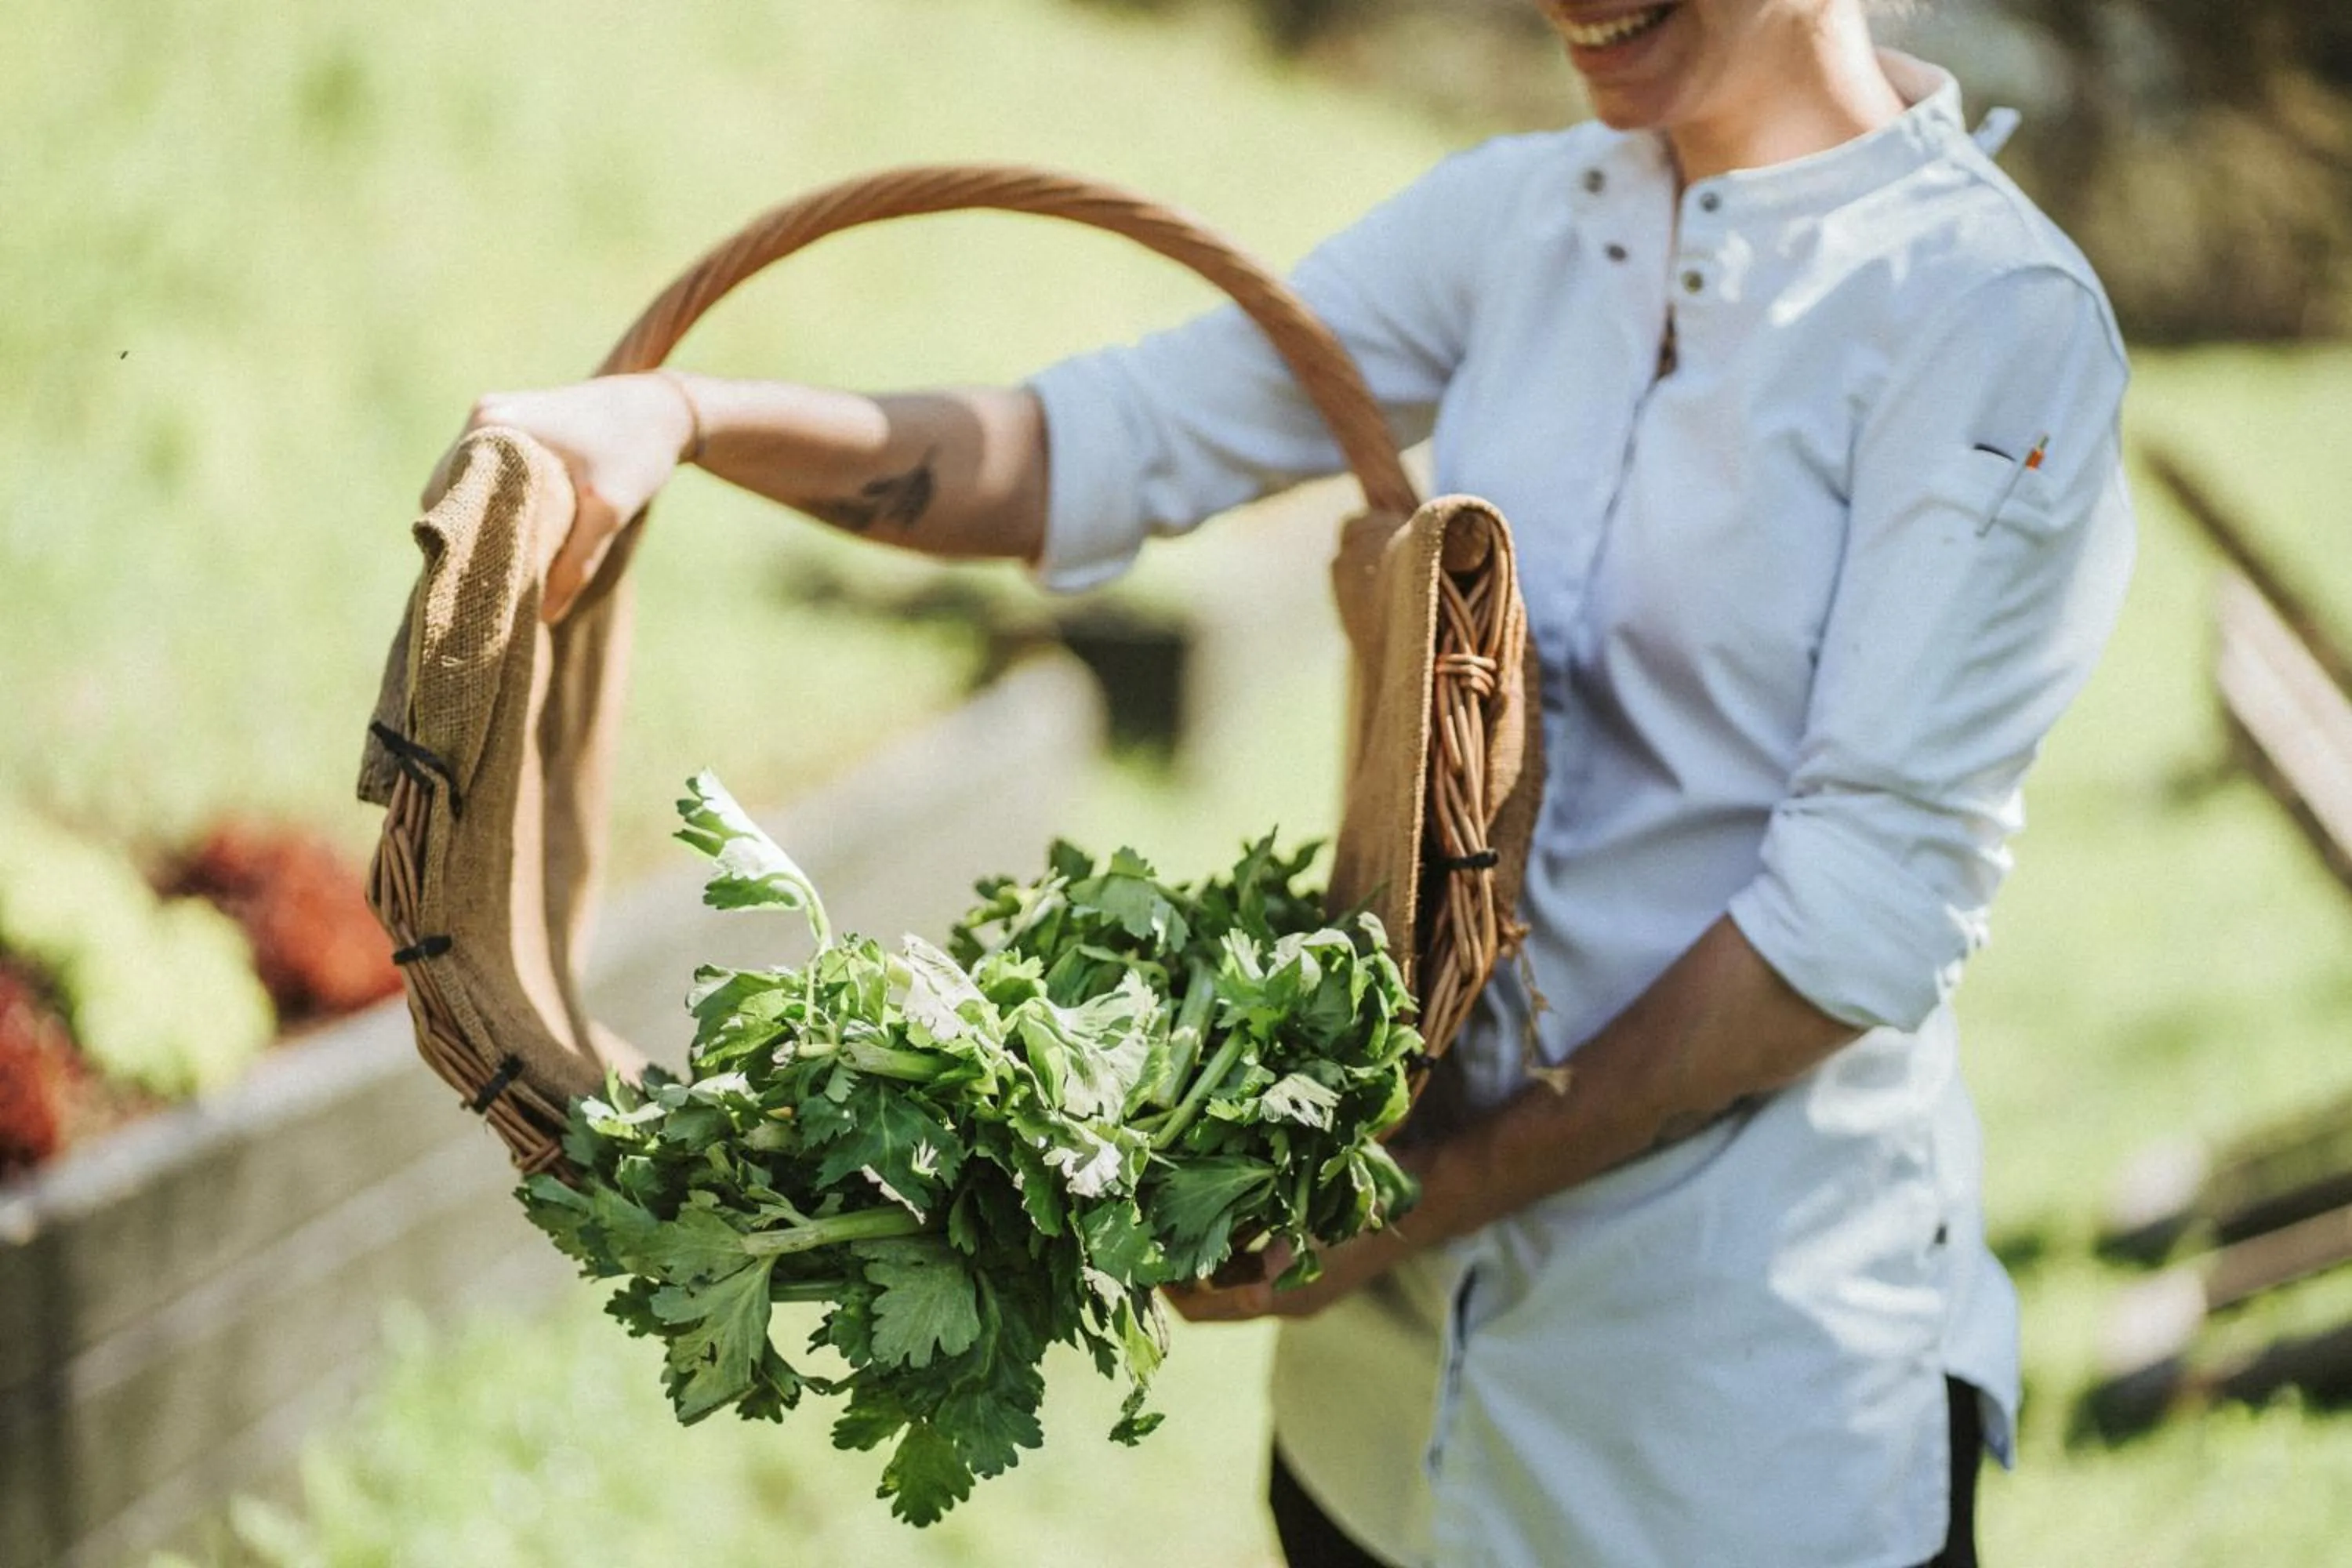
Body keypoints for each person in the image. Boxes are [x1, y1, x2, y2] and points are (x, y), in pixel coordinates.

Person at [432, 2, 2134, 1562]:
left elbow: (1846, 925)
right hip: (1375, 1440)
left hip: (1719, 1438)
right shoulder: (1530, 220)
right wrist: (683, 414)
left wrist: (1402, 1209)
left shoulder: (1982, 320)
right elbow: (1097, 443)